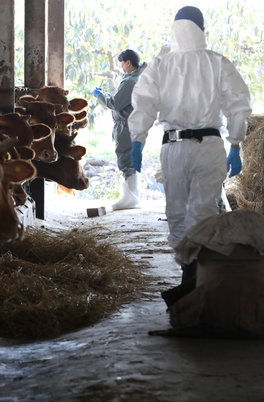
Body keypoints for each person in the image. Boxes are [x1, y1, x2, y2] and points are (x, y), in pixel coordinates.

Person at [127, 6, 252, 306]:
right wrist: (235, 144)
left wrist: (137, 140)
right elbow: (238, 104)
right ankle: (197, 281)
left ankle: (192, 280)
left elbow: (143, 104)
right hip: (208, 146)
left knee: (177, 215)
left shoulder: (160, 65)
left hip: (173, 147)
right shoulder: (217, 63)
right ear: (202, 30)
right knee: (204, 214)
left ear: (174, 29)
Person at [92, 49, 147, 210]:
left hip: (127, 125)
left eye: (122, 63)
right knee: (130, 159)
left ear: (128, 62)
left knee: (125, 159)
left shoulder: (131, 81)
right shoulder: (137, 77)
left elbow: (115, 104)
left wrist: (100, 95)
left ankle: (131, 198)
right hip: (133, 124)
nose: (121, 67)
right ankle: (131, 196)